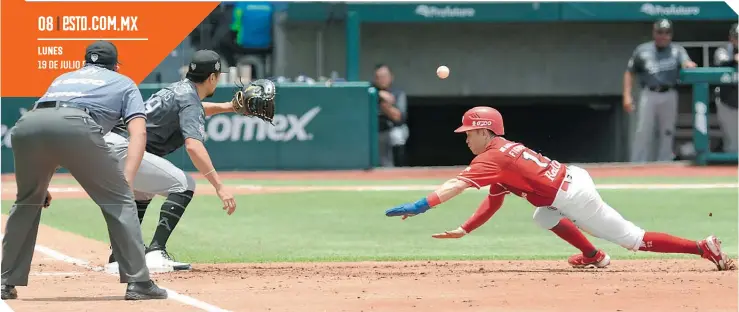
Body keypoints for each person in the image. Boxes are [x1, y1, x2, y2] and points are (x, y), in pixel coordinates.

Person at [385, 106, 735, 271]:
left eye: (468, 133)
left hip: (573, 195)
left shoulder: (492, 157)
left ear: (485, 132)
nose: (466, 139)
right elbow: (493, 201)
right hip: (571, 180)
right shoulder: (504, 153)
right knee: (542, 217)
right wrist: (465, 229)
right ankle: (593, 256)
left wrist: (421, 205)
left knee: (633, 238)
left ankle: (703, 248)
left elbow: (454, 185)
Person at [1, 41, 168, 300]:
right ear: (115, 64)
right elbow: (139, 132)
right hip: (77, 124)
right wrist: (128, 180)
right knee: (120, 201)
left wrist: (41, 185)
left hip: (27, 124)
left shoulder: (63, 78)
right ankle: (139, 282)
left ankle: (4, 282)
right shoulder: (123, 83)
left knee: (26, 202)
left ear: (85, 62)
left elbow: (49, 127)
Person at [104, 49, 276, 273]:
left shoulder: (178, 90)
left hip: (112, 146)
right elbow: (193, 146)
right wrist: (219, 187)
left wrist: (229, 107)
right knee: (184, 185)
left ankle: (120, 254)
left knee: (143, 192)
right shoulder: (189, 98)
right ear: (212, 78)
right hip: (124, 149)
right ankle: (156, 252)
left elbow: (196, 109)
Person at [623, 19, 697, 163]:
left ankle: (664, 163)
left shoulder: (677, 50)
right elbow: (630, 72)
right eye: (660, 32)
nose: (663, 36)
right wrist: (627, 95)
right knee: (643, 131)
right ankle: (637, 164)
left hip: (669, 93)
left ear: (671, 34)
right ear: (654, 32)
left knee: (668, 131)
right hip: (649, 93)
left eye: (667, 32)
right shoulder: (643, 50)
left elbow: (686, 62)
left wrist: (688, 64)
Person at [373, 64, 408, 167]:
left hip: (392, 128)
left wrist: (386, 106)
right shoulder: (370, 91)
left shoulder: (398, 94)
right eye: (379, 77)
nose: (382, 79)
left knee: (397, 135)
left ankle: (399, 167)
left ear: (391, 77)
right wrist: (378, 94)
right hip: (374, 130)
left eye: (385, 76)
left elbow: (399, 119)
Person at [713, 23, 738, 154]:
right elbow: (721, 63)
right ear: (731, 38)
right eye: (737, 37)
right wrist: (734, 60)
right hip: (727, 102)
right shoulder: (722, 50)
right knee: (732, 143)